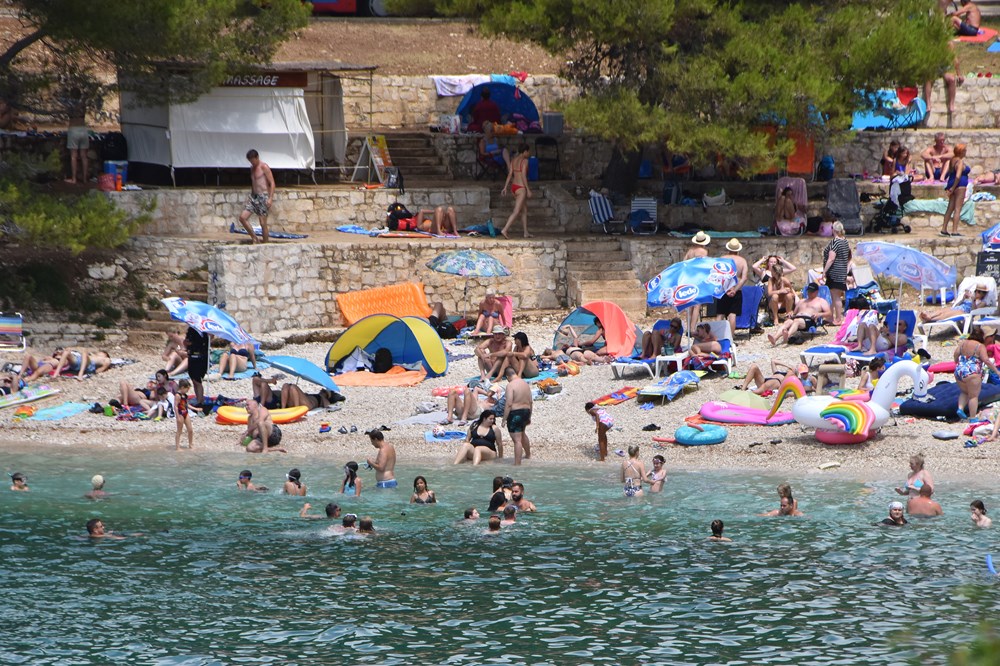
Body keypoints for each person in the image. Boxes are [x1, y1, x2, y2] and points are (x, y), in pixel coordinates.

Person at [953, 327, 998, 419]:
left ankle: (960, 408)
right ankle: (973, 418)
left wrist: (957, 363)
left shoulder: (963, 343)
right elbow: (986, 360)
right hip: (972, 372)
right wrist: (997, 371)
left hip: (959, 371)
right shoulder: (980, 346)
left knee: (964, 392)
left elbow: (956, 354)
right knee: (973, 396)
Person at [767, 283, 832, 346]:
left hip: (809, 320)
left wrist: (819, 314)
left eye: (811, 292)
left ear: (816, 292)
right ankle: (775, 338)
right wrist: (791, 313)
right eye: (808, 291)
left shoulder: (821, 301)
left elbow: (829, 313)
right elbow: (794, 313)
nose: (809, 293)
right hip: (797, 317)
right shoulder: (802, 301)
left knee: (797, 321)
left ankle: (787, 336)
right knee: (788, 322)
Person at [237, 149, 275, 243]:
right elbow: (254, 183)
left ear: (257, 157)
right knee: (242, 218)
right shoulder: (252, 168)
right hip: (254, 197)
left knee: (262, 223)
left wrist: (270, 198)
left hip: (263, 196)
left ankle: (266, 243)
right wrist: (251, 196)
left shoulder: (264, 167)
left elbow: (272, 183)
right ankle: (255, 238)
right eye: (250, 161)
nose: (252, 162)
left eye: (253, 160)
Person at [717, 239, 749, 336]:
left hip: (723, 289)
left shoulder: (722, 259)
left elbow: (717, 276)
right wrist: (734, 290)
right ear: (738, 249)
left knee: (720, 313)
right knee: (732, 314)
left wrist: (726, 289)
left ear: (728, 248)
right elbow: (744, 278)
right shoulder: (742, 261)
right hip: (736, 290)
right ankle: (730, 336)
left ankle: (718, 335)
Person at [500, 144, 532, 239]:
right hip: (521, 188)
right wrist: (528, 189)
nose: (529, 153)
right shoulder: (525, 161)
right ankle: (505, 229)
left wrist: (505, 187)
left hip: (514, 187)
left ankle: (526, 232)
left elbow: (510, 174)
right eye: (528, 151)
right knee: (517, 211)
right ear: (525, 151)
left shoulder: (513, 160)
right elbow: (523, 176)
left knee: (524, 210)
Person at [503, 366, 533, 465]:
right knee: (522, 433)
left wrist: (504, 419)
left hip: (515, 413)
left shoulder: (510, 385)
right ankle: (528, 455)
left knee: (517, 440)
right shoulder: (525, 384)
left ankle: (517, 464)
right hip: (526, 411)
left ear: (507, 376)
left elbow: (509, 403)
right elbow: (530, 401)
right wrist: (529, 416)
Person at [822, 222, 850, 325]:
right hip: (842, 271)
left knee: (835, 296)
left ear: (833, 229)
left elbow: (831, 258)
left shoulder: (835, 242)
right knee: (833, 296)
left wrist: (824, 271)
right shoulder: (845, 241)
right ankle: (830, 317)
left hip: (834, 272)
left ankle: (838, 318)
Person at [920, 282, 990, 323]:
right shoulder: (970, 299)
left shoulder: (982, 303)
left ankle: (930, 319)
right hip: (958, 308)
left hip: (964, 312)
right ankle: (929, 316)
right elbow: (957, 305)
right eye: (976, 291)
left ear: (984, 294)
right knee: (943, 310)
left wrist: (973, 300)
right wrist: (963, 298)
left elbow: (974, 311)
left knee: (946, 314)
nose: (976, 293)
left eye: (979, 292)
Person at [941, 143, 970, 237]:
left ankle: (944, 228)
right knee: (957, 209)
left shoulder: (952, 160)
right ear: (961, 152)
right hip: (959, 186)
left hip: (952, 184)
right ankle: (954, 230)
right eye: (965, 150)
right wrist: (953, 188)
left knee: (950, 208)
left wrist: (951, 188)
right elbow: (958, 176)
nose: (966, 152)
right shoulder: (960, 162)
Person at [741, 361, 814, 395]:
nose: (793, 368)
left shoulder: (791, 376)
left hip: (776, 382)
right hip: (765, 380)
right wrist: (787, 365)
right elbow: (773, 361)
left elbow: (784, 385)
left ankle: (749, 393)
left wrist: (792, 371)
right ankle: (743, 389)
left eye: (795, 369)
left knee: (765, 386)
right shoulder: (777, 372)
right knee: (754, 367)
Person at [65, 89, 91, 185]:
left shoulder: (70, 105)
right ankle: (85, 178)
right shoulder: (82, 105)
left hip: (73, 129)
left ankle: (74, 178)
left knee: (74, 156)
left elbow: (68, 113)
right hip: (83, 129)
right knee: (84, 156)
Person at [184, 327, 209, 407]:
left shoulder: (203, 332)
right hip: (192, 357)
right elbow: (184, 344)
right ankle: (198, 398)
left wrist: (188, 344)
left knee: (197, 381)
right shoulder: (191, 330)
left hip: (200, 358)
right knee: (194, 380)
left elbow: (189, 343)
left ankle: (200, 400)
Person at [173, 378, 194, 450]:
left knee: (190, 430)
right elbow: (175, 406)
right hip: (180, 413)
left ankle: (190, 445)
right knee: (179, 431)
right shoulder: (177, 395)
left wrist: (196, 409)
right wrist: (177, 416)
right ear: (182, 387)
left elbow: (186, 405)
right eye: (187, 388)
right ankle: (177, 447)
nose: (188, 390)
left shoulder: (185, 395)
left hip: (186, 413)